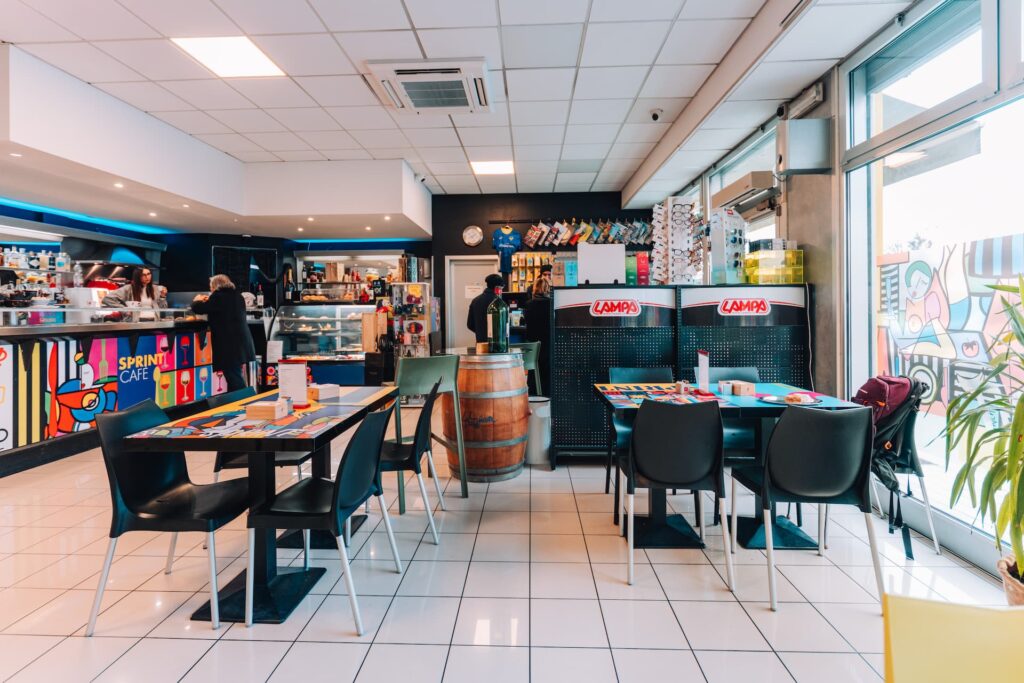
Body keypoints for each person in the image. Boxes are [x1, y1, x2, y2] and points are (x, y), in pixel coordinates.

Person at [191, 274, 255, 392]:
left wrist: (197, 300)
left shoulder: (218, 296)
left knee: (233, 378)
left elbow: (199, 308)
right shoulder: (237, 296)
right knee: (234, 375)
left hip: (229, 345)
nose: (211, 289)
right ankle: (236, 404)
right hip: (241, 343)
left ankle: (245, 401)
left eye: (211, 287)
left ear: (215, 286)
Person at [102, 268, 167, 320]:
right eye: (143, 275)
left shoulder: (155, 288)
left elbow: (163, 309)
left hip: (153, 322)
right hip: (136, 323)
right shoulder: (129, 288)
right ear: (138, 276)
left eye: (149, 274)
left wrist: (162, 297)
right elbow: (107, 299)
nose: (147, 277)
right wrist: (125, 310)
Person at [524, 277, 551, 395]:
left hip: (533, 344)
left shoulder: (528, 305)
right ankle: (546, 395)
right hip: (548, 343)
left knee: (533, 370)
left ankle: (534, 394)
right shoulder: (551, 304)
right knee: (547, 371)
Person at [467, 273, 504, 344]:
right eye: (502, 287)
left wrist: (481, 332)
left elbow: (470, 324)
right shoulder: (500, 303)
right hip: (497, 343)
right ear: (498, 287)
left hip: (480, 344)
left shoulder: (475, 301)